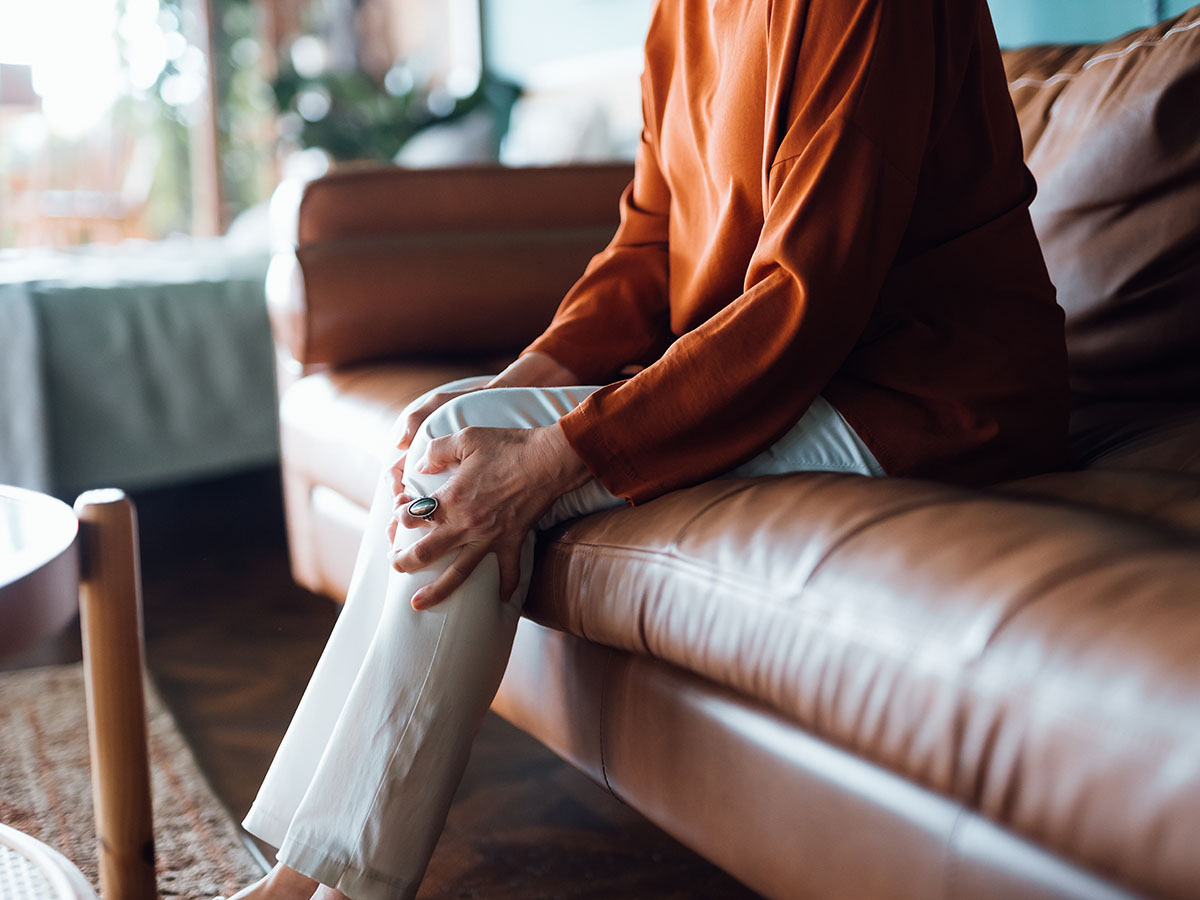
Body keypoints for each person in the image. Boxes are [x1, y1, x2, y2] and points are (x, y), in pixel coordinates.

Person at [227, 0, 1068, 897]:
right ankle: (301, 874)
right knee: (449, 424)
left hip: (921, 397)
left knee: (471, 450)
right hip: (792, 372)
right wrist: (504, 389)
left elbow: (802, 302)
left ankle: (328, 886)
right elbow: (647, 246)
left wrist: (547, 459)